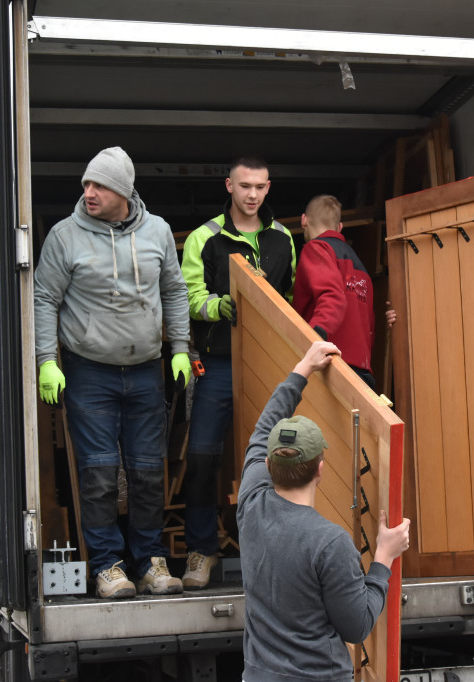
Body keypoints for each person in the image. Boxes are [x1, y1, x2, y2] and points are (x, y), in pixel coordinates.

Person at [34, 146, 192, 599]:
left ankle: (151, 562)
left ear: (123, 191)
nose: (88, 192)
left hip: (145, 371)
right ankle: (108, 566)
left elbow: (175, 291)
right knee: (100, 475)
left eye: (98, 185)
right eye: (86, 184)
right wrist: (47, 361)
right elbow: (44, 297)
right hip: (90, 373)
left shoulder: (158, 231)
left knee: (146, 474)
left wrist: (179, 348)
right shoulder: (66, 237)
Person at [237, 340, 411, 681]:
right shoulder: (329, 542)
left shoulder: (251, 503)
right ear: (320, 469)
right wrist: (383, 560)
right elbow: (357, 626)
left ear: (269, 463)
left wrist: (303, 368)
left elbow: (262, 430)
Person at [179, 156, 296, 588]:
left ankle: (279, 553)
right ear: (229, 185)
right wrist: (219, 306)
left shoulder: (284, 238)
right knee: (202, 458)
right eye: (244, 186)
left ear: (269, 188)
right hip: (219, 363)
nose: (252, 195)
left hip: (269, 365)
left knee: (280, 460)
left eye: (260, 187)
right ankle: (201, 552)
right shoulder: (204, 238)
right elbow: (190, 297)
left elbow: (289, 302)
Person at [292, 194, 379, 389]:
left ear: (303, 220)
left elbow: (331, 297)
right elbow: (370, 324)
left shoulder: (316, 249)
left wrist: (313, 341)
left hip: (328, 367)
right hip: (362, 373)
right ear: (340, 227)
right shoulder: (361, 268)